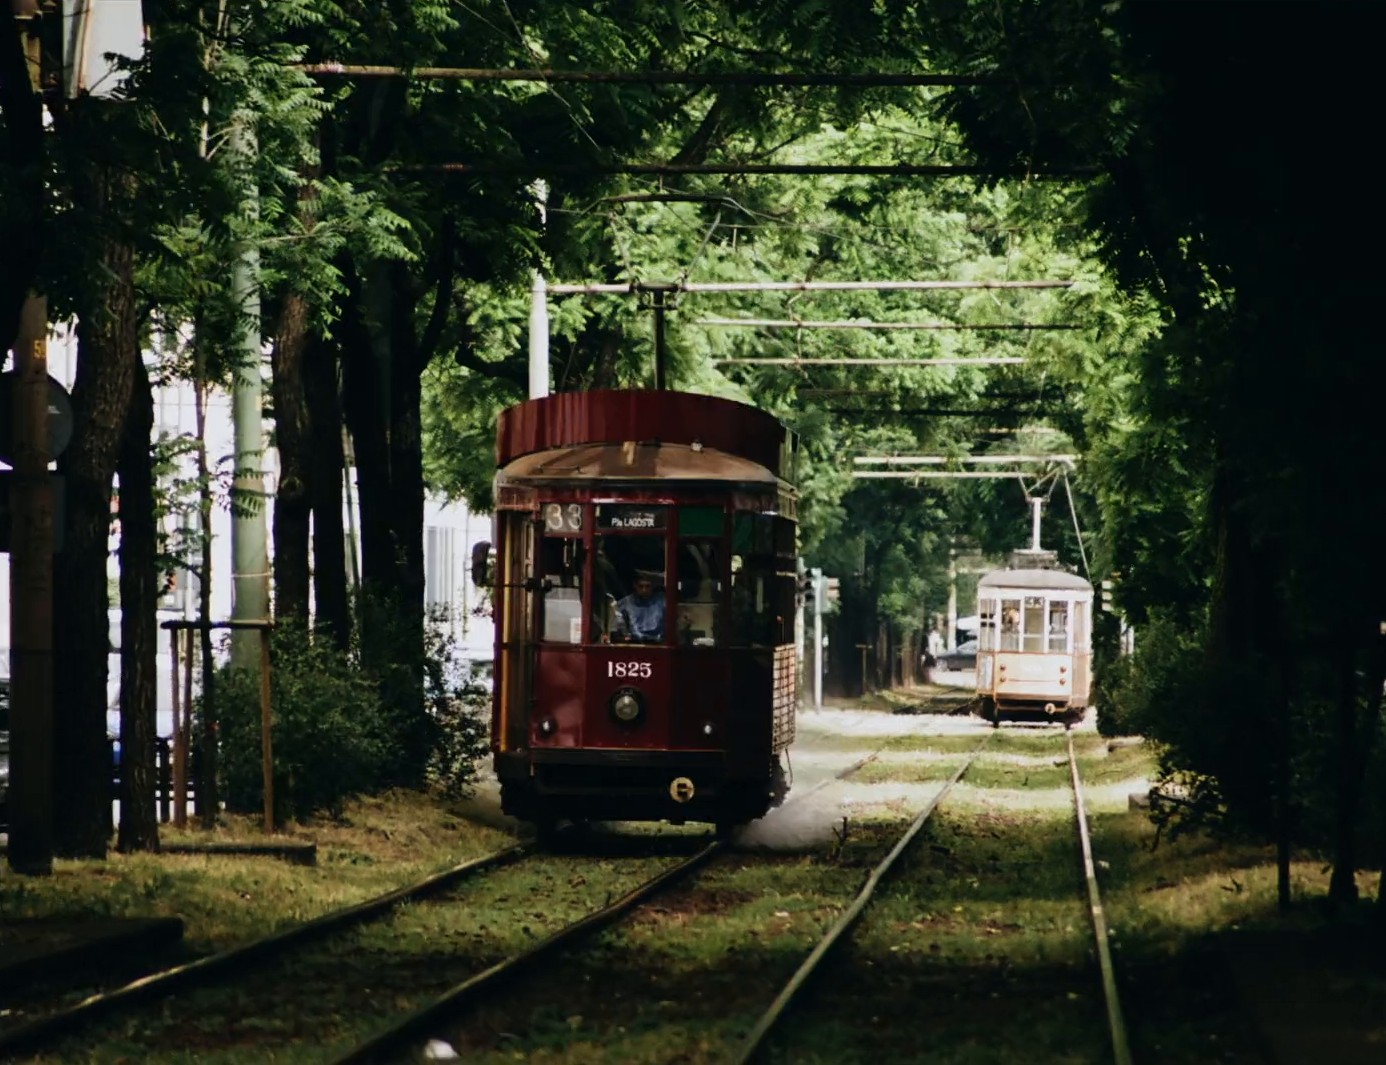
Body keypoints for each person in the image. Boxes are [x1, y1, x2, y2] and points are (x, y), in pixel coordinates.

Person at [615, 573, 665, 641]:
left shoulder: (662, 601)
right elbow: (619, 625)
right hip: (634, 643)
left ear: (653, 586)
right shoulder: (625, 603)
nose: (644, 590)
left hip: (660, 643)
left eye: (647, 586)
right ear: (635, 586)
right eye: (641, 586)